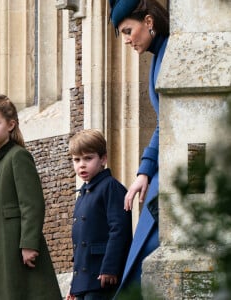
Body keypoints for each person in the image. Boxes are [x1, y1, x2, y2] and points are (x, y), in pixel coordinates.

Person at [108, 0, 169, 298]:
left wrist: (146, 171)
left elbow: (167, 123)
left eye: (129, 31)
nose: (128, 40)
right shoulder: (158, 58)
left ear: (149, 21)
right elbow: (164, 122)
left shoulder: (171, 52)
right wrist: (144, 172)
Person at [0, 94, 62, 300]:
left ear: (11, 124)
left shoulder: (18, 156)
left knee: (18, 293)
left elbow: (32, 204)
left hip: (14, 244)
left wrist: (29, 244)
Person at [66, 129, 133, 300]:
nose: (81, 164)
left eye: (88, 158)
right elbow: (81, 243)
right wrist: (75, 284)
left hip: (102, 275)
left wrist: (110, 267)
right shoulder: (83, 193)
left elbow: (119, 229)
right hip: (85, 281)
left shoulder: (111, 187)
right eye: (76, 159)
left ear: (103, 159)